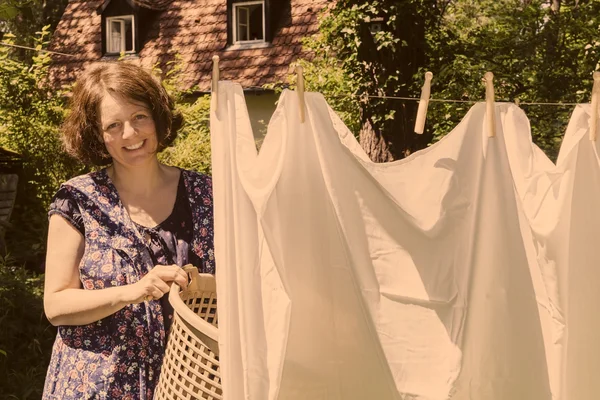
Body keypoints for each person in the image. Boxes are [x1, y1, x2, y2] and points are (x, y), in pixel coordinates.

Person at [41, 62, 215, 399]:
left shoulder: (205, 193)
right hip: (96, 385)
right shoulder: (78, 200)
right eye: (113, 125)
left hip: (189, 382)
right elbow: (56, 305)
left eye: (139, 117)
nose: (130, 135)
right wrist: (133, 291)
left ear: (157, 115)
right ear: (97, 134)